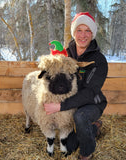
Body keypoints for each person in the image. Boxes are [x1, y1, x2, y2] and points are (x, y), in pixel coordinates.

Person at [44, 12, 108, 160]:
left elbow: (90, 92)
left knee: (81, 117)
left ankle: (87, 153)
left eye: (88, 31)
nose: (83, 35)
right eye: (79, 30)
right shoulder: (66, 54)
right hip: (71, 101)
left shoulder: (99, 60)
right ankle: (93, 128)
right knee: (68, 146)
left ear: (92, 34)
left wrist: (60, 106)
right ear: (74, 32)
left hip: (92, 103)